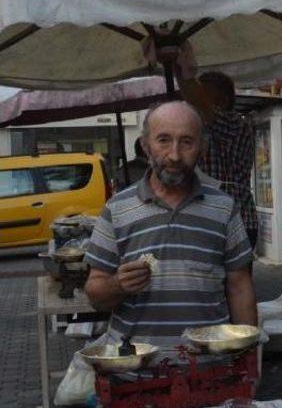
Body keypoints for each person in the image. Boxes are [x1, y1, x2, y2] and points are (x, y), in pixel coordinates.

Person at [84, 100, 257, 354]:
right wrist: (117, 285)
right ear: (145, 146)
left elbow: (240, 287)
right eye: (163, 140)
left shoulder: (224, 208)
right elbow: (95, 295)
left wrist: (249, 356)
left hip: (211, 370)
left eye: (186, 142)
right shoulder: (116, 209)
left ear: (202, 148)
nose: (174, 155)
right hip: (135, 372)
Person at [172, 42, 259, 251]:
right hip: (210, 222)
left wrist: (183, 71)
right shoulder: (201, 130)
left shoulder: (234, 124)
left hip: (236, 223)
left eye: (201, 97)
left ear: (222, 99)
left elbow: (200, 104)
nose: (191, 104)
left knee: (233, 283)